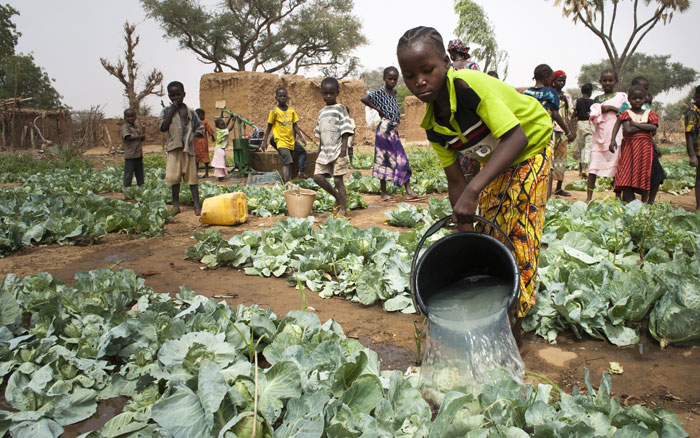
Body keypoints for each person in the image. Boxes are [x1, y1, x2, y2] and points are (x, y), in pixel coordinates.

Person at [397, 26, 553, 350]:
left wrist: (473, 191)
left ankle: (514, 323)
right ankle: (493, 304)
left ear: (446, 62)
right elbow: (456, 181)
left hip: (531, 144)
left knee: (520, 231)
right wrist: (465, 232)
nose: (420, 81)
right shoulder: (434, 126)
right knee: (490, 231)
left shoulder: (470, 88)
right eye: (410, 75)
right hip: (498, 158)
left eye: (428, 70)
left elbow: (516, 137)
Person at [361, 66, 421, 201]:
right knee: (383, 159)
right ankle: (384, 193)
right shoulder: (380, 92)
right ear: (384, 79)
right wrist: (377, 109)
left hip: (393, 130)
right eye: (390, 78)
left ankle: (408, 190)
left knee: (402, 158)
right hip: (384, 130)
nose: (392, 81)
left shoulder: (394, 93)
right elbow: (364, 99)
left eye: (394, 79)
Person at [609, 76, 665, 204]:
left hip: (645, 149)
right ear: (629, 99)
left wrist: (637, 124)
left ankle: (645, 202)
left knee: (644, 174)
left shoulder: (649, 113)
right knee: (627, 174)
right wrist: (612, 140)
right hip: (630, 148)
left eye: (641, 98)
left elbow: (653, 127)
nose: (638, 101)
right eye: (634, 98)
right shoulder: (626, 112)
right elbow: (626, 129)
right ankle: (628, 202)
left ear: (645, 99)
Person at [523, 64, 575, 197]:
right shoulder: (550, 93)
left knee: (530, 161)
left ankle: (529, 190)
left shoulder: (526, 93)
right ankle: (546, 197)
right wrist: (568, 131)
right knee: (547, 164)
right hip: (546, 133)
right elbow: (556, 115)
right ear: (547, 77)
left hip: (529, 133)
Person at [158, 81, 203, 216]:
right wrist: (171, 110)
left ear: (184, 94)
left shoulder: (190, 112)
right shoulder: (166, 111)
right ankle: (176, 205)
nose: (176, 98)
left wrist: (193, 135)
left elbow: (200, 128)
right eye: (173, 95)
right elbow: (163, 127)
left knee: (192, 179)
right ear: (169, 96)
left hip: (188, 150)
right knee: (174, 178)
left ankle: (196, 204)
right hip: (174, 149)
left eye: (178, 95)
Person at [313, 77, 354, 218]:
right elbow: (320, 135)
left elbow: (346, 131)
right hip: (325, 151)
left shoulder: (341, 109)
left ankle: (343, 207)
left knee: (338, 180)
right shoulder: (321, 112)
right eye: (325, 93)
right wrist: (319, 152)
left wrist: (344, 150)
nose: (328, 96)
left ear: (337, 92)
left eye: (331, 93)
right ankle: (337, 197)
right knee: (317, 178)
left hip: (338, 150)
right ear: (322, 93)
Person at [587, 68, 626, 202]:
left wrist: (610, 108)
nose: (607, 83)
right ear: (600, 82)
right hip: (600, 135)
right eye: (604, 80)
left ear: (615, 81)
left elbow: (626, 113)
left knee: (617, 167)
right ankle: (589, 197)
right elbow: (593, 114)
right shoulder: (597, 99)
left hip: (616, 135)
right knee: (593, 168)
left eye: (610, 80)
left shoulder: (621, 97)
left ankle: (618, 197)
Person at [262, 87, 307, 182]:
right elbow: (269, 126)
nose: (282, 98)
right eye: (280, 96)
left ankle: (299, 173)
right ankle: (286, 184)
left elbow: (295, 126)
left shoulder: (291, 110)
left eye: (284, 96)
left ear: (287, 97)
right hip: (280, 140)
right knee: (287, 162)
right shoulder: (274, 111)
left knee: (302, 151)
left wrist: (302, 137)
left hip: (290, 140)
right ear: (276, 98)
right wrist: (264, 141)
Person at [551, 70, 575, 196]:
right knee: (549, 159)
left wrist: (565, 102)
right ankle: (547, 187)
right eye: (559, 80)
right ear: (553, 81)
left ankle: (559, 187)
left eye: (563, 81)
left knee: (561, 159)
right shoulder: (549, 94)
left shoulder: (567, 96)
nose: (561, 83)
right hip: (551, 129)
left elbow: (570, 113)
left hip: (562, 130)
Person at [570, 83, 594, 178]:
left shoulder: (577, 101)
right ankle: (585, 168)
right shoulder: (593, 102)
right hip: (589, 124)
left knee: (580, 146)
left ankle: (580, 170)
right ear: (590, 92)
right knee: (588, 147)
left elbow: (574, 113)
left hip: (580, 125)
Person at [685, 85, 700, 212]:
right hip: (698, 150)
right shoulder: (692, 113)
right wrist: (692, 155)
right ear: (696, 97)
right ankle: (699, 206)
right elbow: (688, 135)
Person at [121, 108, 145, 187]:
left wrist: (143, 130)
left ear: (135, 117)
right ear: (125, 118)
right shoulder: (125, 127)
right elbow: (128, 138)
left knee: (140, 174)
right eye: (128, 116)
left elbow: (143, 138)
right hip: (130, 155)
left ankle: (141, 189)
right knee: (128, 174)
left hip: (138, 154)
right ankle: (127, 191)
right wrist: (140, 136)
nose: (131, 118)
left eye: (132, 116)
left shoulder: (137, 127)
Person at [193, 109, 215, 179]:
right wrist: (212, 136)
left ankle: (197, 174)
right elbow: (209, 130)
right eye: (202, 115)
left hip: (196, 143)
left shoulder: (194, 123)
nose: (204, 116)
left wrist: (212, 136)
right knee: (204, 158)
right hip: (202, 143)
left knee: (197, 159)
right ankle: (206, 173)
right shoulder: (204, 122)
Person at [212, 115, 234, 181]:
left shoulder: (221, 129)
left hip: (221, 149)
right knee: (220, 163)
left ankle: (222, 176)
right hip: (219, 150)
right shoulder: (221, 132)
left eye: (223, 124)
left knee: (221, 162)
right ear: (217, 126)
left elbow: (226, 125)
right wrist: (234, 121)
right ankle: (220, 177)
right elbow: (230, 128)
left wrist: (230, 117)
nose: (224, 126)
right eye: (222, 125)